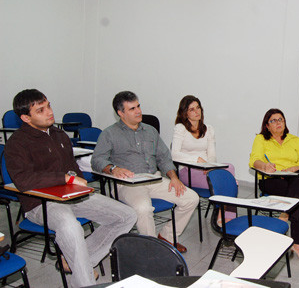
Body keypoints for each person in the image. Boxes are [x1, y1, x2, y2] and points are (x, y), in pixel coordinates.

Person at [4, 89, 137, 288]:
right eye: (41, 110)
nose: (49, 112)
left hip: (73, 196)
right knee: (71, 227)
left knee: (127, 215)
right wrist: (64, 178)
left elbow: (73, 170)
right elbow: (23, 180)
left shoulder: (59, 135)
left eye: (48, 105)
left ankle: (79, 261)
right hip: (40, 203)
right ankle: (84, 283)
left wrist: (76, 180)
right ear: (25, 118)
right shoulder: (16, 144)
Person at [91, 91, 198, 253]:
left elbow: (164, 157)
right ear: (121, 113)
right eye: (132, 108)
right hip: (128, 183)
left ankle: (167, 237)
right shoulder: (109, 134)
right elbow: (97, 160)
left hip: (154, 179)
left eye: (138, 106)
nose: (138, 111)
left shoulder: (150, 131)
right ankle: (152, 248)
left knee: (191, 198)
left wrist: (174, 177)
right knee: (143, 208)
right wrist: (113, 169)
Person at [249, 108, 299, 260]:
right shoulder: (261, 139)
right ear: (267, 126)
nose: (278, 123)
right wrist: (264, 166)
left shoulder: (295, 140)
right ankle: (298, 242)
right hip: (271, 180)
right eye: (273, 120)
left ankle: (286, 212)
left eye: (281, 119)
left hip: (293, 178)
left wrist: (295, 168)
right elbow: (254, 160)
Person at [171, 95, 236, 223]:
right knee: (228, 182)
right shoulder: (180, 129)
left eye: (198, 108)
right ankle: (225, 215)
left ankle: (223, 213)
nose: (197, 111)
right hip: (188, 171)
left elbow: (212, 155)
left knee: (230, 167)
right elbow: (174, 154)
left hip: (206, 169)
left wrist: (210, 166)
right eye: (192, 109)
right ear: (185, 113)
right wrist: (197, 160)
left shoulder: (209, 129)